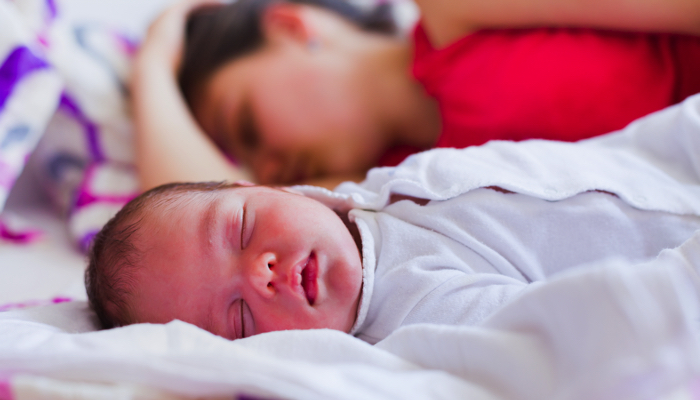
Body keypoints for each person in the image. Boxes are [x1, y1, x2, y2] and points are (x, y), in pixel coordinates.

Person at [86, 93, 700, 343]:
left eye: (243, 229)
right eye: (241, 319)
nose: (262, 272)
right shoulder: (419, 315)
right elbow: (605, 328)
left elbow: (613, 156)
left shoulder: (390, 189)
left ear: (268, 186)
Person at [132, 0, 700, 191]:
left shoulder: (459, 13)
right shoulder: (387, 187)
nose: (270, 166)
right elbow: (204, 220)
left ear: (291, 25)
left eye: (247, 128)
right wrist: (152, 65)